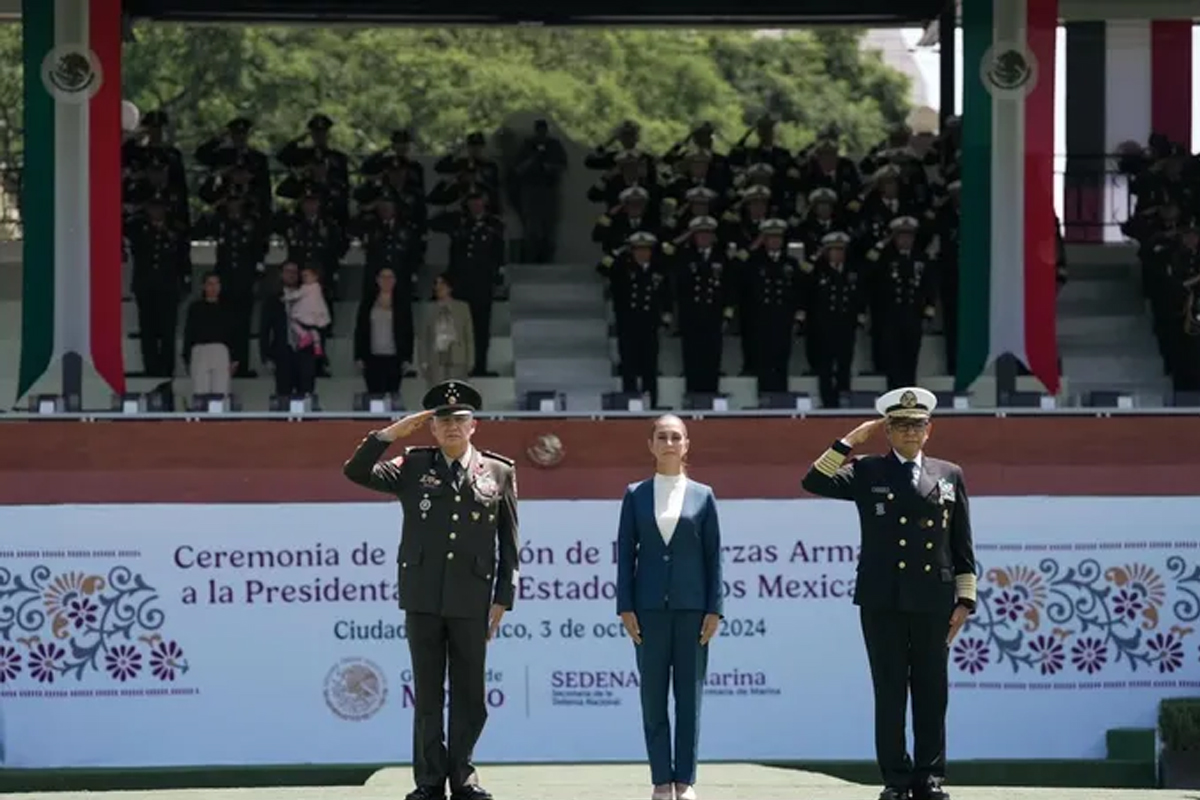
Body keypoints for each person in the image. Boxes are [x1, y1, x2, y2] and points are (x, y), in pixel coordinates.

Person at [342, 380, 519, 800]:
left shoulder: (499, 471)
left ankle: (464, 776)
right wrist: (387, 436)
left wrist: (502, 597)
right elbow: (356, 472)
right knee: (427, 694)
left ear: (473, 425)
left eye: (460, 420)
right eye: (443, 421)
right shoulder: (413, 465)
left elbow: (509, 543)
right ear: (432, 429)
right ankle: (428, 781)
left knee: (470, 694)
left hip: (472, 599)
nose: (452, 427)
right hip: (422, 596)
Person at [800, 386, 976, 800]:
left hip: (934, 597)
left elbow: (961, 541)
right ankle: (896, 780)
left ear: (929, 430)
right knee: (890, 689)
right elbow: (813, 480)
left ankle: (930, 778)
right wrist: (850, 440)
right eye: (900, 426)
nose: (910, 433)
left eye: (917, 426)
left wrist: (965, 599)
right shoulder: (868, 470)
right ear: (887, 431)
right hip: (883, 598)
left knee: (933, 690)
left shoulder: (949, 473)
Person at [616, 414, 723, 800]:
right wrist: (625, 606)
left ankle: (686, 780)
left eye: (676, 437)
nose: (669, 443)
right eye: (661, 436)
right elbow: (625, 553)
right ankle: (662, 780)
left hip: (693, 609)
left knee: (689, 697)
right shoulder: (635, 494)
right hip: (647, 611)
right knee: (653, 696)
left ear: (686, 444)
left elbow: (714, 556)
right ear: (651, 445)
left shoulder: (703, 495)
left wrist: (715, 608)